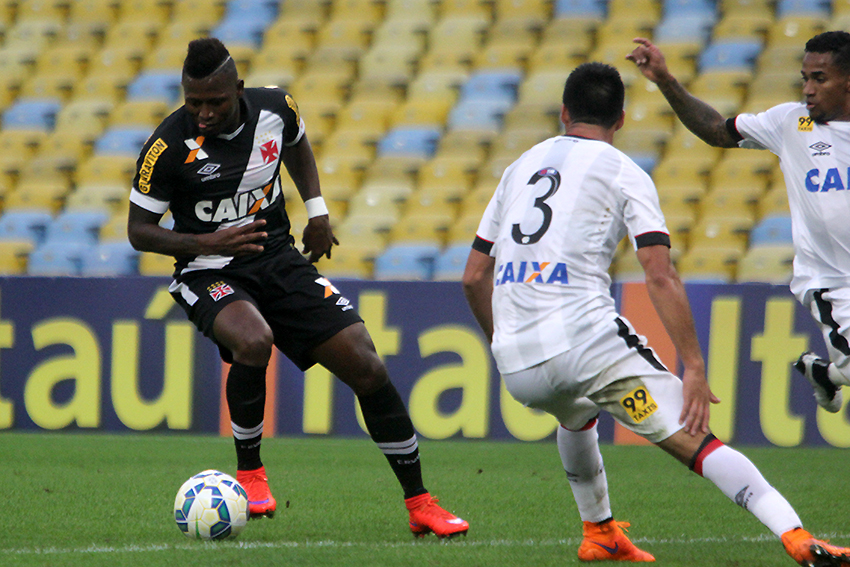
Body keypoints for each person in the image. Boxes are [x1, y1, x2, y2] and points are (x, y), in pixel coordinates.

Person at [461, 62, 850, 565]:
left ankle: (599, 532)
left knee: (575, 414)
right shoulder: (624, 171)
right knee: (697, 444)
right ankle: (796, 536)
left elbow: (474, 276)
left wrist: (502, 345)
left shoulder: (520, 166)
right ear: (621, 120)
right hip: (586, 348)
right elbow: (659, 275)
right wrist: (694, 366)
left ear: (563, 113)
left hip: (518, 365)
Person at [127, 37, 468, 539]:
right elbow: (139, 231)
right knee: (253, 340)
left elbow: (298, 146)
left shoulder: (276, 108)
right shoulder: (166, 147)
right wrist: (206, 241)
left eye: (214, 102)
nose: (203, 113)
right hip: (208, 269)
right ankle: (250, 473)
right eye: (193, 102)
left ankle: (421, 504)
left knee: (368, 365)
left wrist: (318, 211)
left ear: (238, 89)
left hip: (278, 260)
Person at [627, 32, 850, 416]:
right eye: (805, 78)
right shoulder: (791, 122)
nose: (808, 89)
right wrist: (665, 80)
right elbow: (715, 129)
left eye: (819, 79)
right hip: (833, 282)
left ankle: (825, 373)